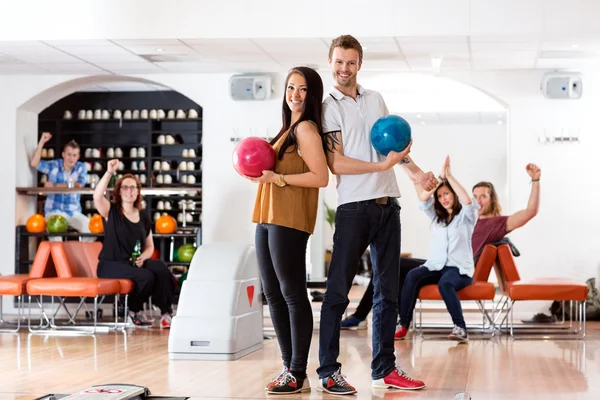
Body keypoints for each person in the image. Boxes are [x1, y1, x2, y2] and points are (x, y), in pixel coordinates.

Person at [317, 34, 436, 394]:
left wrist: (416, 174)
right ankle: (328, 371)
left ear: (360, 64)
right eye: (339, 62)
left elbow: (391, 146)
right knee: (338, 291)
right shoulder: (329, 107)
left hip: (389, 205)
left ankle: (384, 369)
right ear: (331, 62)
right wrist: (380, 165)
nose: (344, 69)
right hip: (354, 208)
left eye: (350, 62)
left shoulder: (375, 99)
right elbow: (335, 161)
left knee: (388, 293)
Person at [340, 163, 542, 336]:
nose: (479, 200)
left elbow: (530, 212)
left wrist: (535, 181)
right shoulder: (450, 217)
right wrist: (415, 175)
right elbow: (427, 199)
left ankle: (392, 319)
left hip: (458, 268)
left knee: (404, 271)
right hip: (439, 263)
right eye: (476, 196)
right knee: (394, 265)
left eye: (484, 197)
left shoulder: (494, 223)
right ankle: (371, 317)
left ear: (492, 199)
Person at [243, 66, 329, 394]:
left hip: (289, 219)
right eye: (291, 87)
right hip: (266, 216)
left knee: (292, 293)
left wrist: (276, 178)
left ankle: (297, 370)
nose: (295, 94)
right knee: (273, 295)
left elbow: (320, 178)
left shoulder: (306, 129)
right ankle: (288, 368)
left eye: (303, 89)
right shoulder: (286, 129)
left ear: (313, 94)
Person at [394, 156, 479, 343]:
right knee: (412, 275)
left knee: (445, 284)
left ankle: (460, 328)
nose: (443, 199)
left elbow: (467, 201)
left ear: (453, 195)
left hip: (459, 269)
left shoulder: (466, 217)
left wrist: (449, 176)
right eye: (440, 196)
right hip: (436, 266)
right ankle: (403, 324)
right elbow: (423, 200)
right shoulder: (436, 217)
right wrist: (425, 181)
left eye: (446, 194)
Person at [93, 163, 176, 328]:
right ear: (119, 191)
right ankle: (132, 312)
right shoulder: (111, 211)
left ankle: (166, 313)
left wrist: (143, 257)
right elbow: (96, 196)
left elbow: (150, 246)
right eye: (125, 187)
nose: (129, 191)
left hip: (132, 262)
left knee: (160, 268)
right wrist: (109, 171)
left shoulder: (143, 217)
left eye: (133, 187)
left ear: (138, 191)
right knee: (146, 276)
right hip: (110, 264)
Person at [30, 132, 93, 241]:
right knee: (56, 238)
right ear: (63, 154)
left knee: (92, 230)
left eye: (74, 155)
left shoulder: (80, 167)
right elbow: (34, 163)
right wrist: (41, 143)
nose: (71, 158)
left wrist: (54, 186)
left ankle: (78, 254)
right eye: (69, 154)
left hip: (74, 212)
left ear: (78, 157)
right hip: (54, 211)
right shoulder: (54, 165)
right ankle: (60, 258)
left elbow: (78, 185)